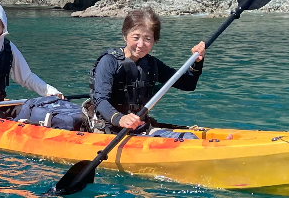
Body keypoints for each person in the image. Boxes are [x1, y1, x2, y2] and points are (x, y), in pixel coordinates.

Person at [88, 7, 206, 137]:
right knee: (190, 138)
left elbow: (188, 84)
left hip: (140, 127)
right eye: (136, 37)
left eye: (147, 39)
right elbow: (101, 100)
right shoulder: (109, 61)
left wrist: (196, 62)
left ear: (154, 40)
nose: (141, 44)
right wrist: (120, 119)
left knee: (190, 138)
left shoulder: (151, 64)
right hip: (110, 129)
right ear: (125, 35)